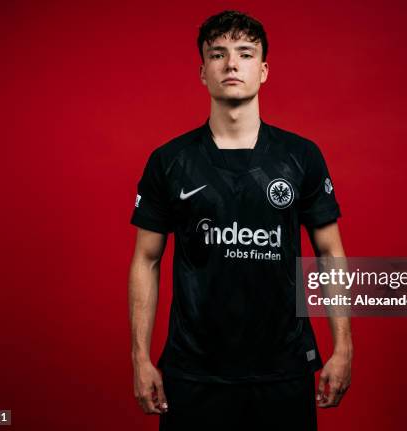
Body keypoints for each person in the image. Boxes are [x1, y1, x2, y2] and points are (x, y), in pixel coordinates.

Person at [128, 10, 353, 431]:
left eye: (245, 53)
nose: (232, 64)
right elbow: (146, 260)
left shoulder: (300, 156)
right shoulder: (170, 161)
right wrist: (140, 357)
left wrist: (343, 347)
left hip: (283, 370)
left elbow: (329, 252)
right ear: (203, 71)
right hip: (194, 374)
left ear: (263, 70)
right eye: (219, 54)